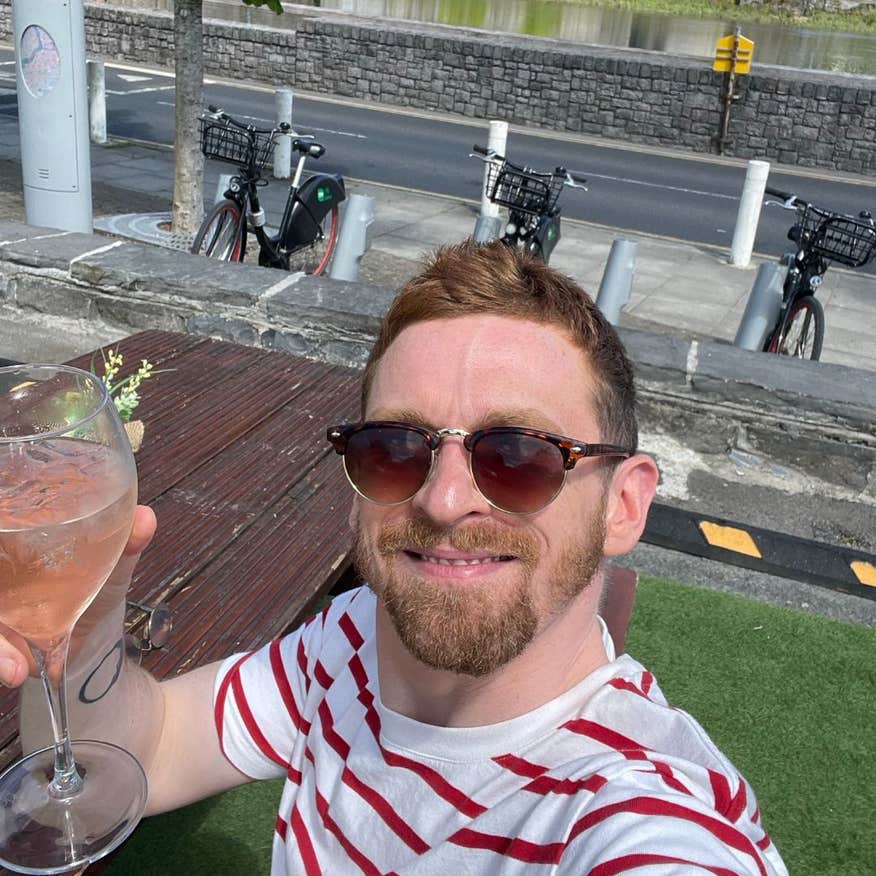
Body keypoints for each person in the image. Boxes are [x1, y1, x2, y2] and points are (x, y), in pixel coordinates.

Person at [4, 241, 788, 874]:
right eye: (395, 448)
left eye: (517, 456)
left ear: (625, 504)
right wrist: (85, 611)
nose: (444, 501)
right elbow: (147, 749)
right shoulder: (353, 642)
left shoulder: (642, 817)